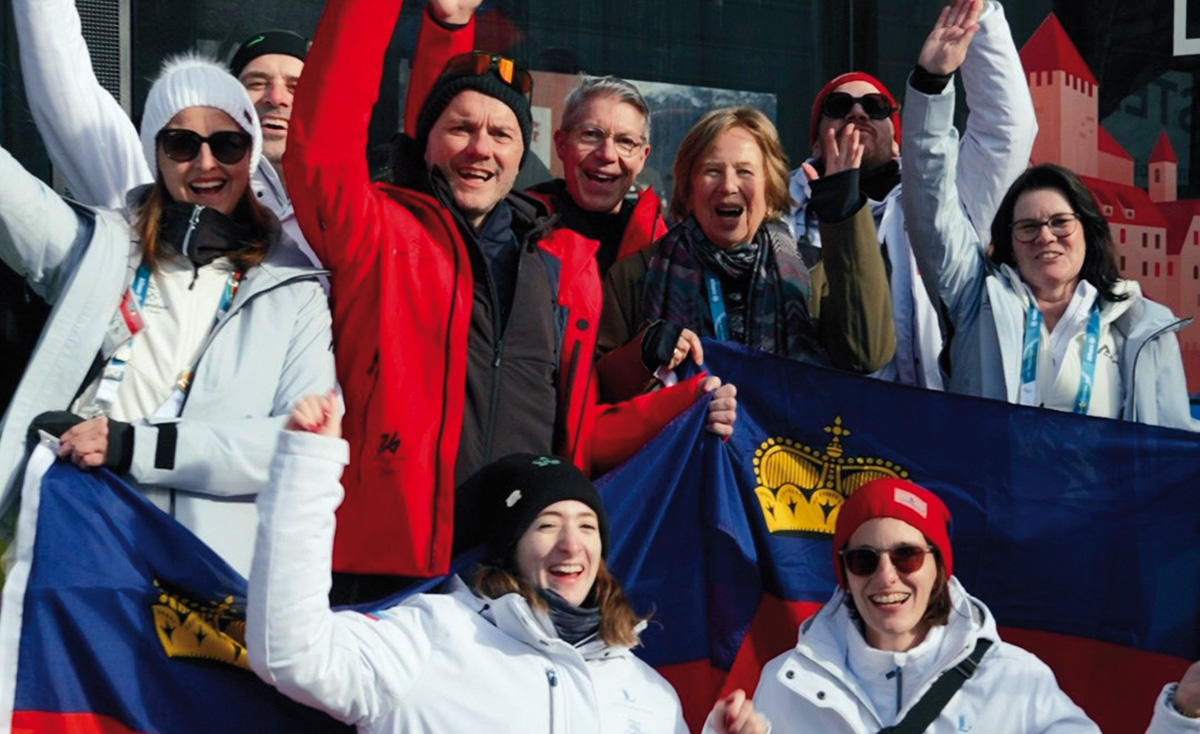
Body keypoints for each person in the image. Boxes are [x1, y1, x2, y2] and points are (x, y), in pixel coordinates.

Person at [285, 0, 735, 587]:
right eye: (460, 130)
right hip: (388, 569)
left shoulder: (564, 269)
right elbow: (323, 142)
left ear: (523, 153)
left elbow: (581, 433)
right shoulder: (379, 235)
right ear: (425, 143)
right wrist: (442, 23)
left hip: (522, 578)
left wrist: (688, 403)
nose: (481, 148)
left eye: (501, 133)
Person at [0, 55, 336, 576]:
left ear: (250, 153)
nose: (205, 163)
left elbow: (296, 443)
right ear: (155, 153)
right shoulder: (103, 247)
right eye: (181, 144)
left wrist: (134, 446)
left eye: (227, 144)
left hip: (208, 577)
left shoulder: (295, 288)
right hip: (80, 547)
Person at [247, 395, 690, 733]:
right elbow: (295, 654)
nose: (571, 546)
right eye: (547, 525)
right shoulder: (430, 637)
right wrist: (307, 469)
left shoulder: (650, 694)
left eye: (587, 527)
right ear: (511, 548)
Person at [900, 3, 1196, 430]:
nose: (1045, 236)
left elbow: (1169, 447)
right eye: (1028, 227)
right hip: (992, 477)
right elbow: (929, 200)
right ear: (1007, 242)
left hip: (1094, 480)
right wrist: (931, 85)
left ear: (1088, 230)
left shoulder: (1140, 326)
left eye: (1060, 222)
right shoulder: (973, 302)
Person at [706, 477, 1101, 733]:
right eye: (863, 560)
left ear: (938, 567)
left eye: (906, 556)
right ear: (844, 574)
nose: (886, 577)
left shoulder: (1014, 679)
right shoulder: (788, 681)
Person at [785, 0, 1036, 391]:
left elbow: (1005, 134)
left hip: (931, 414)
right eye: (839, 105)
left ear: (897, 141)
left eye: (875, 107)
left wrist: (980, 13)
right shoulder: (777, 210)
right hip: (821, 417)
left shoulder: (952, 197)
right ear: (816, 143)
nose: (857, 113)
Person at [596, 106, 895, 402]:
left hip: (784, 433)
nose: (728, 186)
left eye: (744, 172)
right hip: (683, 434)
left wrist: (843, 213)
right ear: (688, 188)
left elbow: (865, 355)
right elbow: (600, 391)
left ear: (770, 189)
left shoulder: (814, 272)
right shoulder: (636, 276)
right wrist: (642, 354)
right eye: (712, 171)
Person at [10, 0, 318, 268]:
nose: (276, 98)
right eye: (256, 83)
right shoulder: (159, 186)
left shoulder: (337, 215)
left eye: (297, 87)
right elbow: (68, 94)